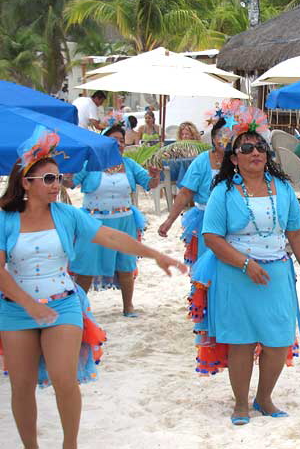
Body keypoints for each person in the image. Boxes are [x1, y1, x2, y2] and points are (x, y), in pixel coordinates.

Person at [0, 127, 185, 449]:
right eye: (48, 180)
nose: (56, 185)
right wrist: (29, 305)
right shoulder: (5, 219)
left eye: (58, 178)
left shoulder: (68, 214)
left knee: (64, 379)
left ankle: (69, 445)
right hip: (16, 308)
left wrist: (156, 254)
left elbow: (113, 237)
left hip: (63, 303)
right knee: (21, 385)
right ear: (25, 183)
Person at [188, 106, 300, 425]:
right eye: (246, 147)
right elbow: (213, 236)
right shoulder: (223, 191)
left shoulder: (284, 187)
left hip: (276, 271)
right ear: (234, 157)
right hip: (235, 274)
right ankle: (241, 404)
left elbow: (296, 230)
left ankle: (264, 398)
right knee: (242, 341)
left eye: (261, 146)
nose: (255, 152)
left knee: (279, 340)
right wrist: (245, 264)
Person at [65, 117, 160, 316]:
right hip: (92, 222)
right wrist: (65, 174)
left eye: (122, 140)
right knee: (85, 266)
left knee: (126, 265)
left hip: (124, 220)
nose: (118, 143)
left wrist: (155, 176)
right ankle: (78, 309)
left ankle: (128, 306)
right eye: (113, 140)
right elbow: (70, 183)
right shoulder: (89, 163)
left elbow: (149, 184)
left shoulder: (130, 164)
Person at [158, 113, 233, 267]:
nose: (225, 139)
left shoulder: (241, 160)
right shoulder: (202, 161)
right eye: (221, 134)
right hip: (206, 218)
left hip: (234, 218)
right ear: (213, 138)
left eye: (230, 135)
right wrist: (170, 220)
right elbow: (186, 192)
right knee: (205, 263)